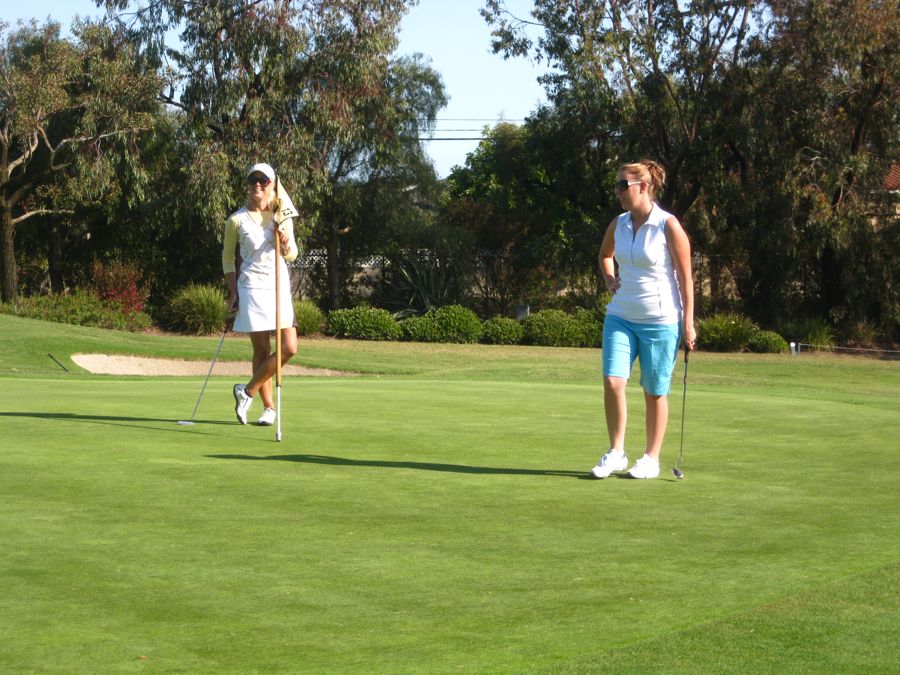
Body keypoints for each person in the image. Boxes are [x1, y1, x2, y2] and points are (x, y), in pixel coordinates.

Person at [589, 160, 695, 479]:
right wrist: (609, 279)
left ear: (643, 187)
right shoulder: (618, 223)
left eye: (623, 185)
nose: (618, 191)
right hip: (620, 315)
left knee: (654, 391)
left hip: (660, 320)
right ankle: (616, 452)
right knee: (612, 381)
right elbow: (605, 255)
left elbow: (686, 278)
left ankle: (651, 457)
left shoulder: (668, 225)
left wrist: (688, 322)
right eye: (617, 185)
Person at [222, 162, 300, 426]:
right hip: (251, 286)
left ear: (272, 184)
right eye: (253, 179)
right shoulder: (236, 220)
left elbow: (292, 255)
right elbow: (227, 259)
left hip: (278, 285)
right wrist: (233, 291)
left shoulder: (281, 215)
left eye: (263, 180)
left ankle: (246, 391)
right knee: (262, 348)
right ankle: (268, 408)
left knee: (290, 347)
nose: (257, 184)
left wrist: (286, 243)